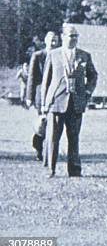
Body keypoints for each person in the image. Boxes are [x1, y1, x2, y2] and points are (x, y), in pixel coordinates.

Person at [41, 24, 97, 178]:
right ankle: (50, 169)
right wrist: (44, 105)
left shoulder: (84, 55)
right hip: (56, 102)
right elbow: (46, 80)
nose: (73, 39)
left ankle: (74, 170)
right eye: (70, 36)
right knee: (53, 138)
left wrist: (87, 92)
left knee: (74, 138)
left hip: (76, 102)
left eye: (75, 36)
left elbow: (93, 76)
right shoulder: (53, 54)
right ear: (63, 37)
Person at [26, 31, 59, 161]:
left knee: (54, 125)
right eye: (51, 40)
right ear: (45, 41)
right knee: (41, 125)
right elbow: (31, 77)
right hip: (41, 95)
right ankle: (39, 149)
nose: (53, 43)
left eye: (55, 40)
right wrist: (29, 96)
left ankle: (50, 152)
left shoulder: (59, 55)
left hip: (56, 94)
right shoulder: (38, 56)